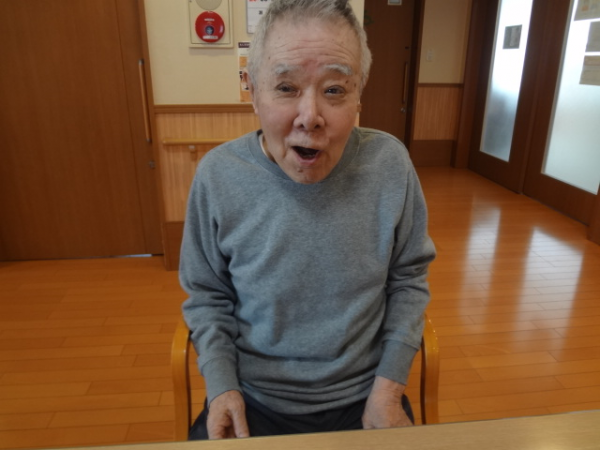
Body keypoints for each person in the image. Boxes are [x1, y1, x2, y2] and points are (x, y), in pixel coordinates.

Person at [179, 0, 436, 440]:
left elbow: (409, 279)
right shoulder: (218, 175)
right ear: (252, 90)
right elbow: (207, 294)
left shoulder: (388, 164)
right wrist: (222, 388)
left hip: (368, 396)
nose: (310, 117)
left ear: (359, 92)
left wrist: (389, 389)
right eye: (286, 87)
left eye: (335, 90)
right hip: (253, 399)